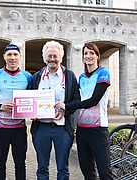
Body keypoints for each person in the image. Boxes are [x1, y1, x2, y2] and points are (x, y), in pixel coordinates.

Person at [55, 43, 113, 179]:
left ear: (98, 56)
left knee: (105, 172)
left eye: (92, 53)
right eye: (86, 53)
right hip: (82, 129)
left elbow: (93, 101)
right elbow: (77, 100)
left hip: (98, 129)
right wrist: (62, 108)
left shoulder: (103, 73)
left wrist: (67, 106)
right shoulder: (81, 77)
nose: (88, 56)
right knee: (87, 171)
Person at [30, 40, 81, 180]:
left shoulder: (69, 76)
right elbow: (31, 99)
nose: (52, 59)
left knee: (63, 168)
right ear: (44, 57)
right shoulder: (37, 77)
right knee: (41, 167)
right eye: (49, 56)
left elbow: (77, 101)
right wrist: (32, 113)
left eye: (55, 56)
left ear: (61, 57)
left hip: (63, 129)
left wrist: (65, 110)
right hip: (41, 128)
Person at [0, 44, 32, 180]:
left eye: (15, 55)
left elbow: (32, 101)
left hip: (20, 128)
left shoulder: (27, 76)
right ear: (4, 57)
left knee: (21, 164)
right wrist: (0, 107)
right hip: (0, 128)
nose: (12, 57)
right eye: (9, 54)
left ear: (20, 57)